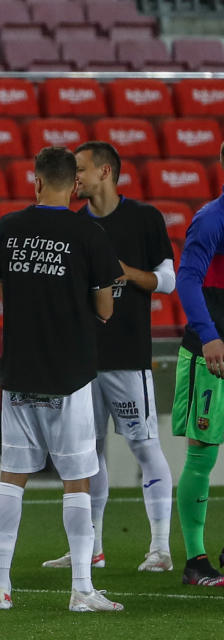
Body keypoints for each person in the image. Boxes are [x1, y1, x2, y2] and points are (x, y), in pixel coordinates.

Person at [0, 146, 123, 612]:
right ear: (75, 186)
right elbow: (105, 307)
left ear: (36, 181)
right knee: (77, 480)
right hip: (71, 373)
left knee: (12, 479)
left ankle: (1, 586)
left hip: (19, 371)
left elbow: (5, 290)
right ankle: (81, 589)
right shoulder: (90, 233)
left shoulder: (8, 229)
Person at [42, 141, 176, 573]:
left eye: (80, 169)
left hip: (127, 355)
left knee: (144, 444)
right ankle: (92, 549)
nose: (73, 177)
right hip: (83, 359)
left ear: (105, 172)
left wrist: (118, 271)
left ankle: (159, 548)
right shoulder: (74, 225)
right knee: (88, 451)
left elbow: (168, 281)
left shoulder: (144, 219)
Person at [171, 142, 224, 588]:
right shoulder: (211, 219)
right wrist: (209, 336)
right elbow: (187, 279)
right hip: (213, 355)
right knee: (202, 456)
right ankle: (196, 560)